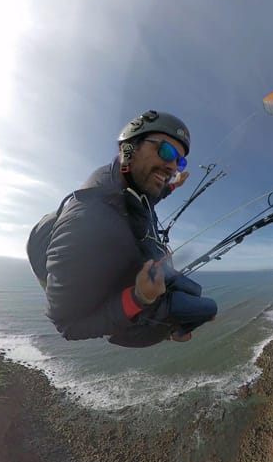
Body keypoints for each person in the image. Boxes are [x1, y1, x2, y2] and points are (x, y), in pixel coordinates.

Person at [27, 110, 218, 348]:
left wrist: (172, 187)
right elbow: (68, 326)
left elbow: (142, 199)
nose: (172, 167)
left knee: (194, 290)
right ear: (130, 148)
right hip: (129, 311)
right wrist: (139, 298)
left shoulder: (120, 176)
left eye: (179, 162)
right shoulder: (88, 226)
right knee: (208, 308)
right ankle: (172, 331)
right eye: (166, 151)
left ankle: (172, 317)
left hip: (135, 274)